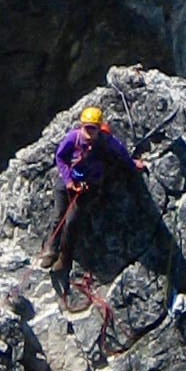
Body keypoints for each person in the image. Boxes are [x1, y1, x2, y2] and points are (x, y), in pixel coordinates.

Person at [43, 103, 142, 283]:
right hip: (67, 182)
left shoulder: (105, 142)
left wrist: (132, 164)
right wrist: (69, 181)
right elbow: (60, 157)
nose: (89, 132)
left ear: (98, 128)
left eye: (93, 129)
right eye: (87, 128)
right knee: (58, 217)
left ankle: (64, 258)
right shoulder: (73, 139)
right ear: (81, 127)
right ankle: (50, 249)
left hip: (86, 187)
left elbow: (120, 153)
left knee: (72, 221)